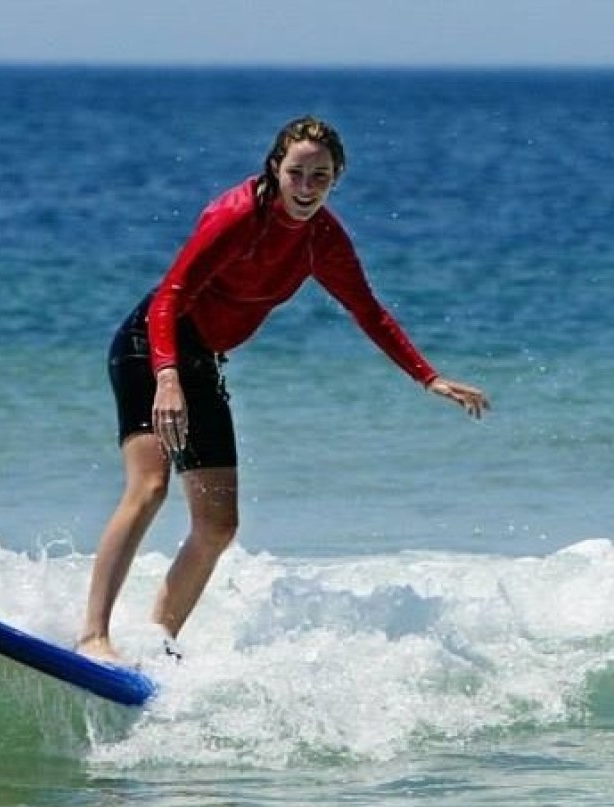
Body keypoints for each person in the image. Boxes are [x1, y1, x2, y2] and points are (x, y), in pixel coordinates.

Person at [77, 116, 489, 663]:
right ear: (276, 168)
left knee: (218, 525)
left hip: (202, 363)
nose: (306, 187)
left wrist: (428, 376)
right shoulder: (237, 217)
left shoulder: (323, 241)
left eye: (320, 176)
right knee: (150, 485)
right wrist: (168, 377)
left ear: (336, 178)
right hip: (152, 348)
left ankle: (158, 642)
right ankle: (93, 637)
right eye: (297, 172)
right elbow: (170, 297)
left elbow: (367, 310)